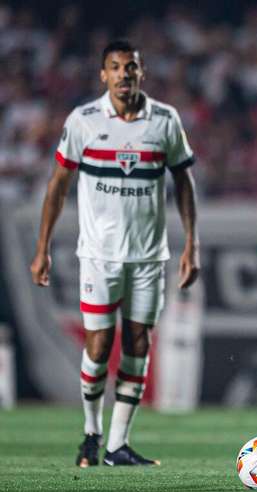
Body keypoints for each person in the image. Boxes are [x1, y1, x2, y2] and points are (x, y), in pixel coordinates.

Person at [30, 41, 199, 467]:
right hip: (98, 256)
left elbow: (183, 182)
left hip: (148, 257)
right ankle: (91, 432)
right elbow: (58, 185)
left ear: (142, 74)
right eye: (116, 67)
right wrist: (42, 248)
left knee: (139, 342)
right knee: (100, 343)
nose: (124, 74)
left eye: (132, 68)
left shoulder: (164, 120)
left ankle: (118, 444)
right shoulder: (83, 121)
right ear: (103, 74)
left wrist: (191, 244)